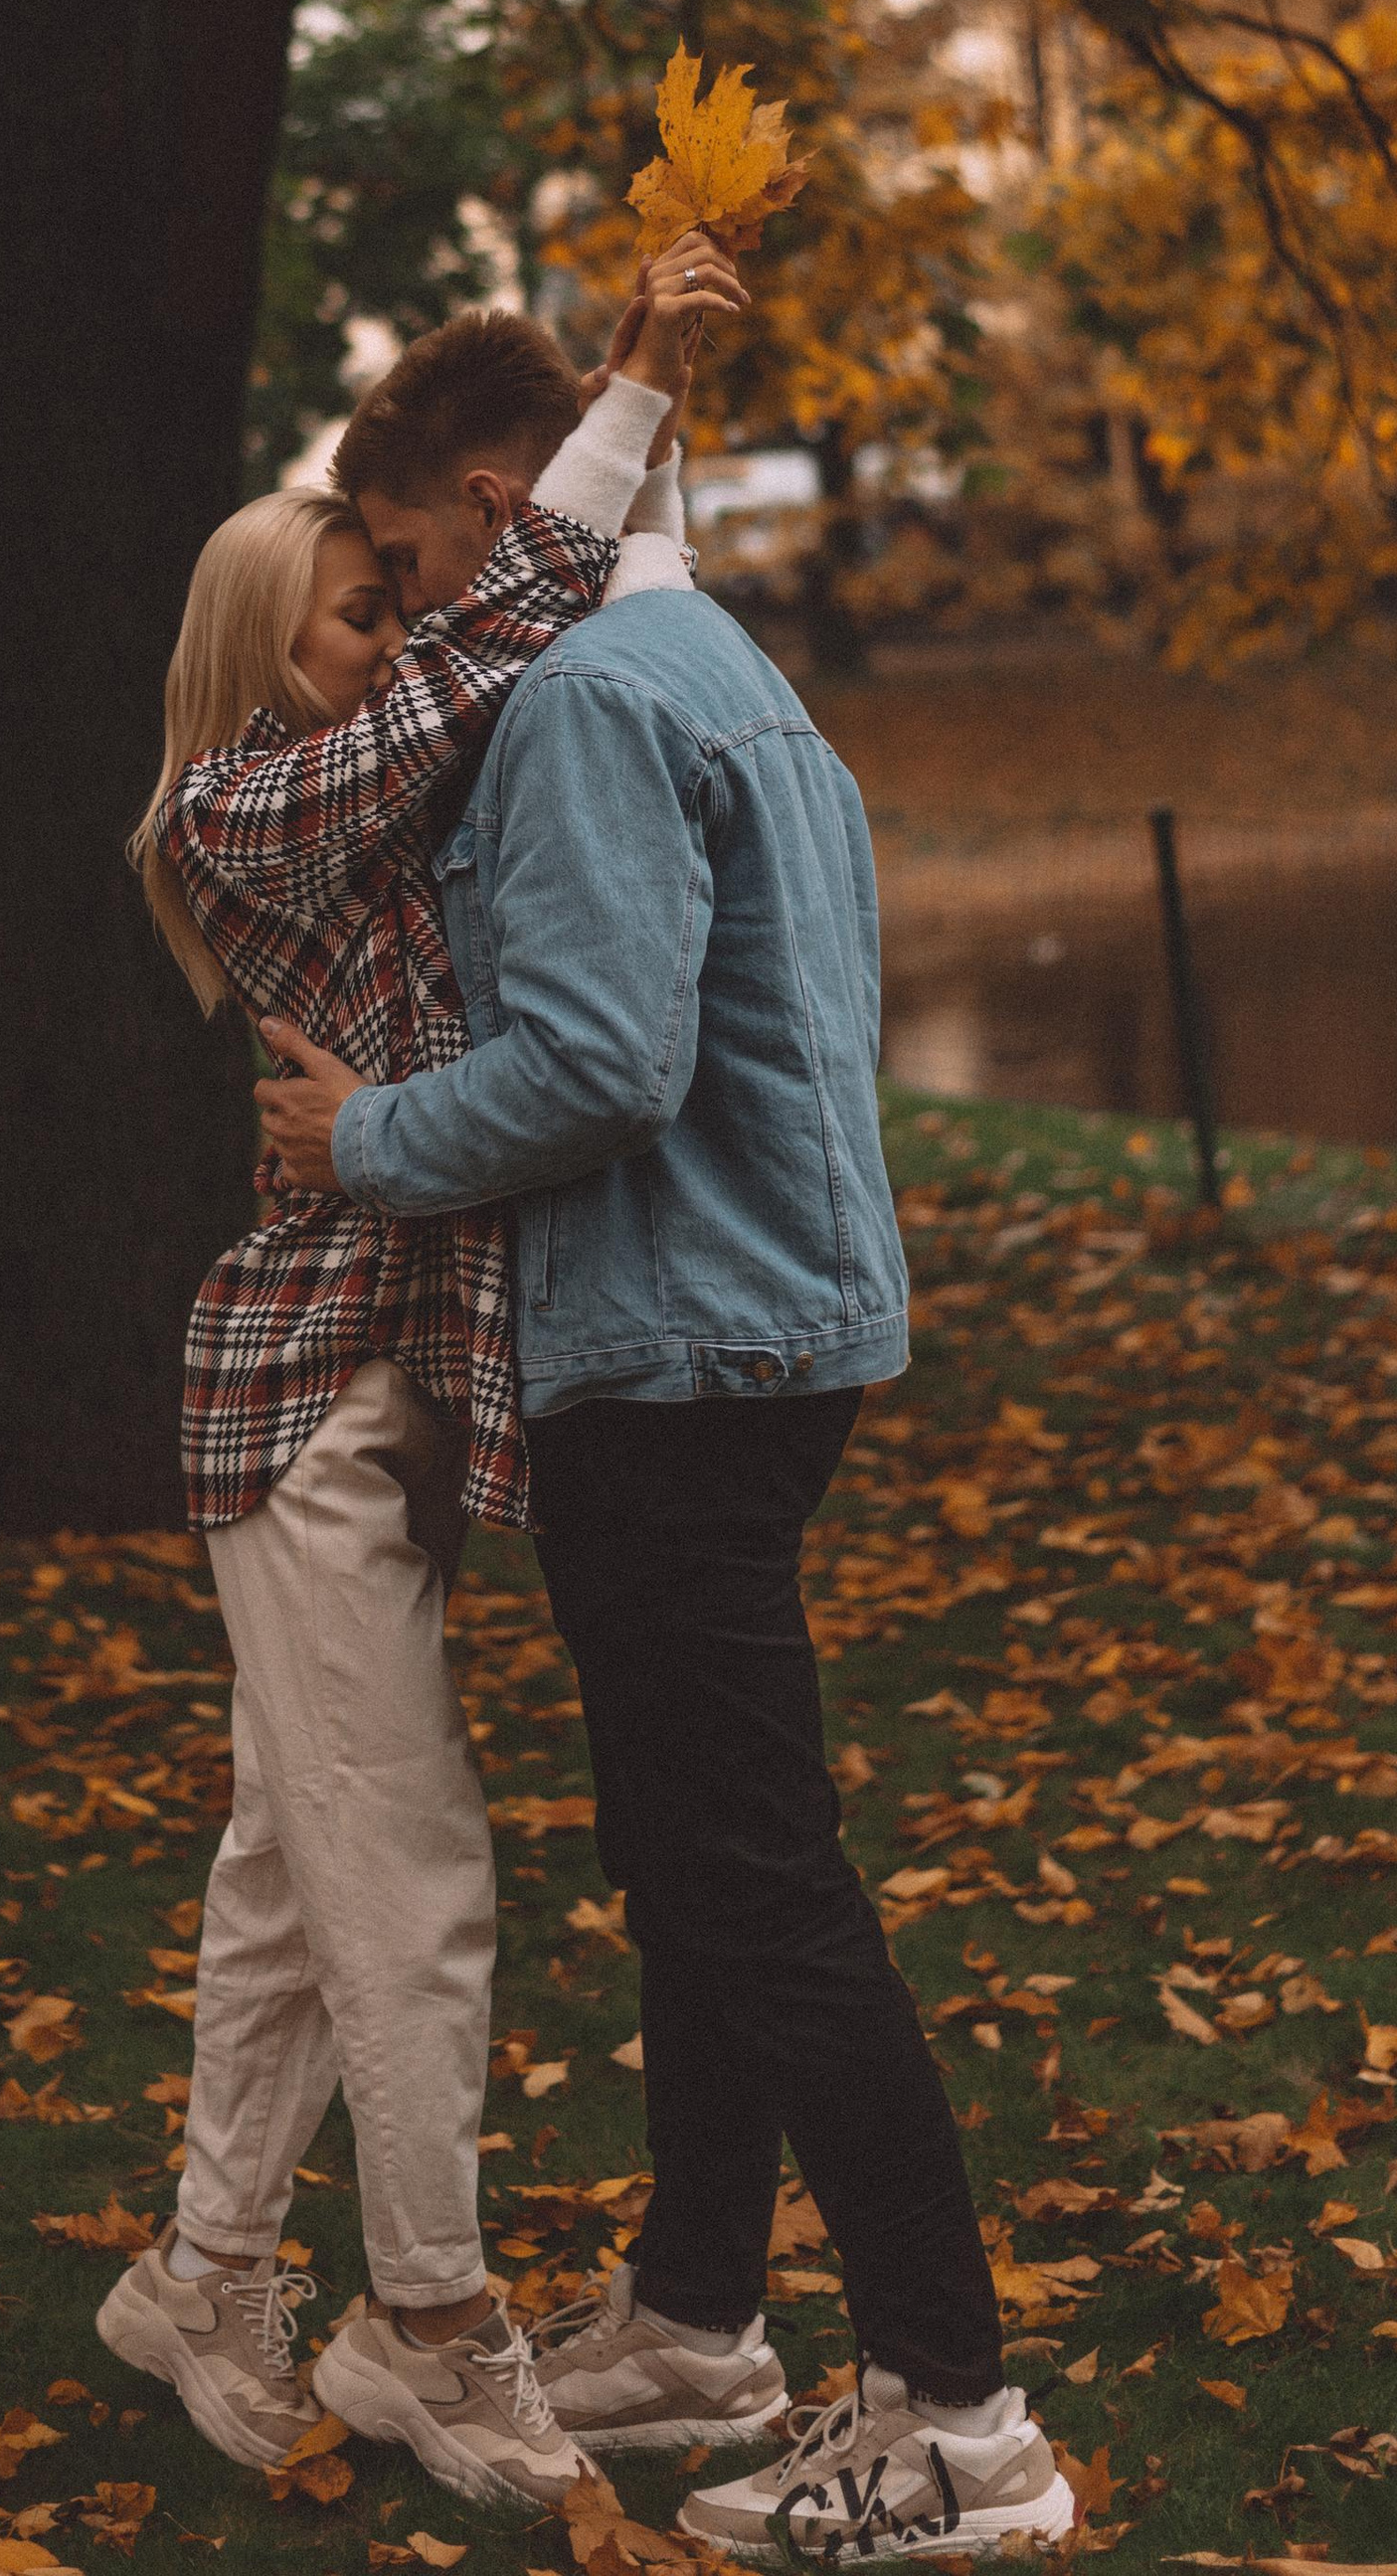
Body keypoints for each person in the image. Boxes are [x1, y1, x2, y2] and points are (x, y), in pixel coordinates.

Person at [255, 351, 1078, 2564]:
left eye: (417, 557)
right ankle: (703, 2310)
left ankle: (957, 2412)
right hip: (762, 1320)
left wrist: (368, 1139)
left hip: (677, 1341)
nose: (413, 612)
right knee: (692, 1849)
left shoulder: (585, 701)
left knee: (755, 1876)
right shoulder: (718, 664)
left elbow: (602, 1060)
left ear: (499, 495)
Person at [95, 238, 745, 2517]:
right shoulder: (241, 808)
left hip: (382, 1394)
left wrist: (640, 434)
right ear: (252, 656)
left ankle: (199, 2272)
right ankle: (438, 2323)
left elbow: (529, 638)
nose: (401, 626)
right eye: (355, 606)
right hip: (295, 1407)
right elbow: (491, 636)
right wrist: (636, 383)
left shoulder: (369, 786)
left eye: (391, 594)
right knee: (409, 1871)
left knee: (294, 1866)